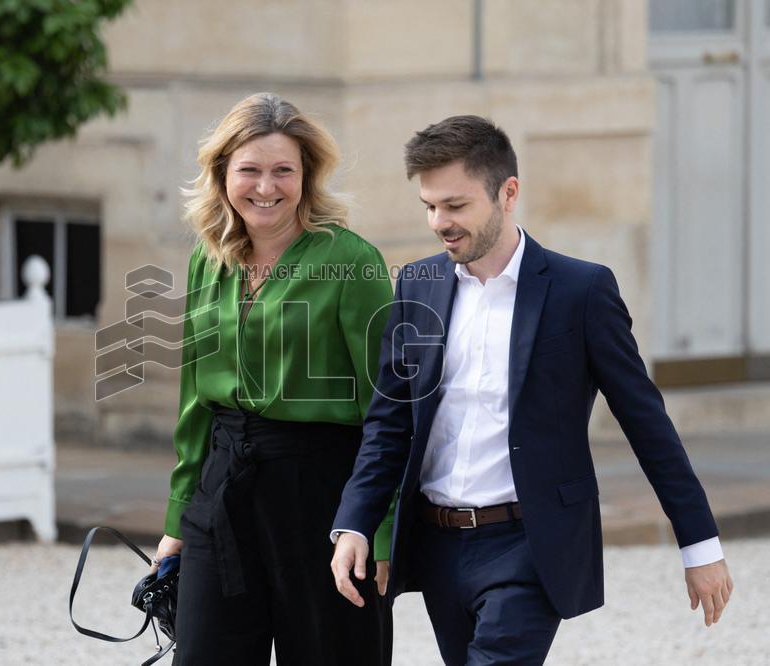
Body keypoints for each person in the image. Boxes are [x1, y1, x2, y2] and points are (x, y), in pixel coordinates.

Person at [329, 115, 734, 665]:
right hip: (439, 544)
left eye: (455, 205)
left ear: (508, 193)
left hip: (529, 545)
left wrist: (699, 545)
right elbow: (389, 422)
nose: (438, 222)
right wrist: (355, 520)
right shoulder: (418, 285)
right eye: (428, 206)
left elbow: (647, 423)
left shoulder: (581, 291)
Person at [152, 92, 394, 666]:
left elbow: (390, 409)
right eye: (250, 171)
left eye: (283, 170)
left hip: (324, 497)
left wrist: (378, 529)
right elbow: (194, 401)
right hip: (223, 487)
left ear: (307, 176)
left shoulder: (351, 261)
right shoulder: (207, 258)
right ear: (222, 175)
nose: (266, 187)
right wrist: (178, 517)